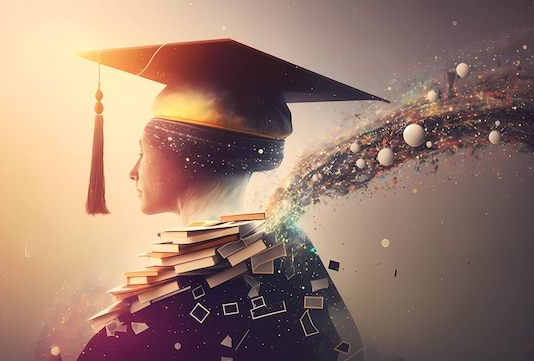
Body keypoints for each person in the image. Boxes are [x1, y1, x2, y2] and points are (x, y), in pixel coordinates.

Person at [72, 39, 386, 361]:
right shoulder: (291, 253)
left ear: (187, 157)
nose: (133, 171)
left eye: (143, 152)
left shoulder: (166, 312)